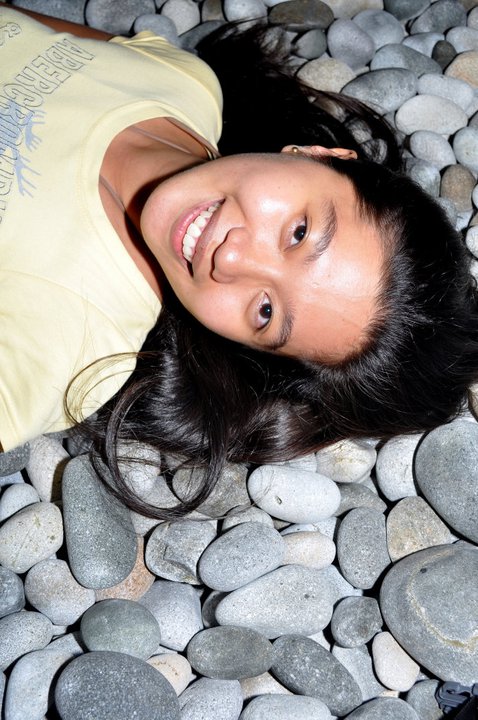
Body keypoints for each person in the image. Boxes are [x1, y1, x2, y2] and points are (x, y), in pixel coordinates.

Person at [1, 3, 477, 518]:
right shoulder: (184, 83)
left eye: (266, 311)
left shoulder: (66, 344)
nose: (230, 257)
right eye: (299, 232)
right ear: (320, 155)